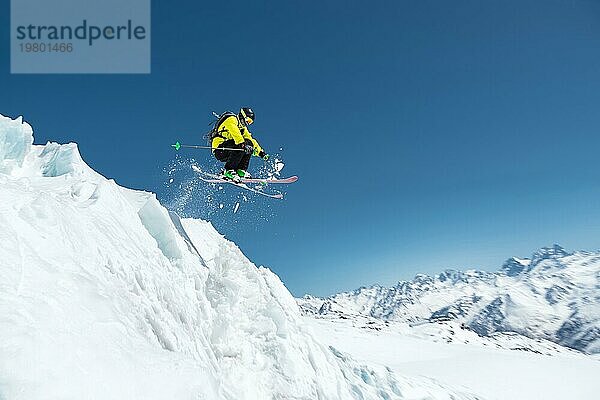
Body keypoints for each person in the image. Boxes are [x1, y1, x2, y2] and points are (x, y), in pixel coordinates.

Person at [211, 107, 269, 181]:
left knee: (249, 144)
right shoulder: (231, 119)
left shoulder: (243, 129)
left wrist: (261, 152)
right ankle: (228, 170)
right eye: (248, 120)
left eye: (250, 122)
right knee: (242, 145)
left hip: (231, 150)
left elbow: (250, 140)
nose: (248, 123)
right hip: (220, 149)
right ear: (243, 116)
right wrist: (242, 144)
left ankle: (240, 170)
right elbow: (235, 132)